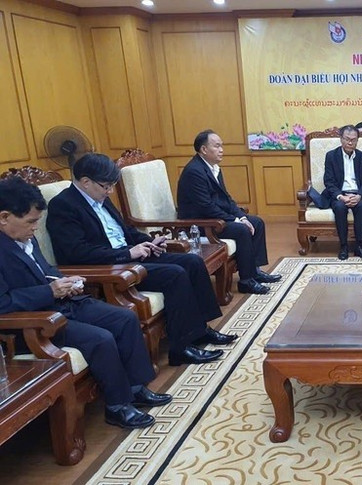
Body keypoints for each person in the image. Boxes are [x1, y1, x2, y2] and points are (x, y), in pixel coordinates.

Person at [0, 177, 172, 429]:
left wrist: (66, 281)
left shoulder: (23, 234)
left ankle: (135, 388)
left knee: (124, 318)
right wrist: (50, 291)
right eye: (31, 222)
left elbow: (45, 269)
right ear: (4, 217)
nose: (35, 227)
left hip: (61, 303)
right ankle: (117, 406)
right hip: (34, 323)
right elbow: (3, 303)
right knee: (100, 338)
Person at [46, 153, 234, 367]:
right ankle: (180, 349)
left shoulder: (101, 198)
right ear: (86, 182)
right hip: (111, 267)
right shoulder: (63, 206)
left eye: (112, 186)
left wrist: (149, 242)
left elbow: (125, 230)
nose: (109, 192)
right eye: (106, 186)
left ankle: (200, 331)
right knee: (175, 274)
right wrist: (128, 254)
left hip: (128, 256)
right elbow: (77, 253)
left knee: (192, 262)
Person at [177, 129, 281, 295]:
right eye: (217, 146)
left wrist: (240, 215)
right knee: (241, 229)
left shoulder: (214, 167)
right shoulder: (194, 172)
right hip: (200, 223)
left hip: (214, 217)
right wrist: (237, 221)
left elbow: (225, 199)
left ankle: (255, 271)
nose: (221, 150)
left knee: (256, 222)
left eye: (221, 146)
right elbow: (206, 207)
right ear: (204, 150)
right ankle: (246, 281)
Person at [322, 125, 362, 261]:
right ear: (341, 139)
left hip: (357, 194)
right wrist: (341, 197)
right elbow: (329, 181)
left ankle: (360, 246)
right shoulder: (331, 156)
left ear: (357, 141)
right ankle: (343, 246)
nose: (350, 142)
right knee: (339, 207)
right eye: (347, 139)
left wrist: (359, 196)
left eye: (354, 140)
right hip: (340, 194)